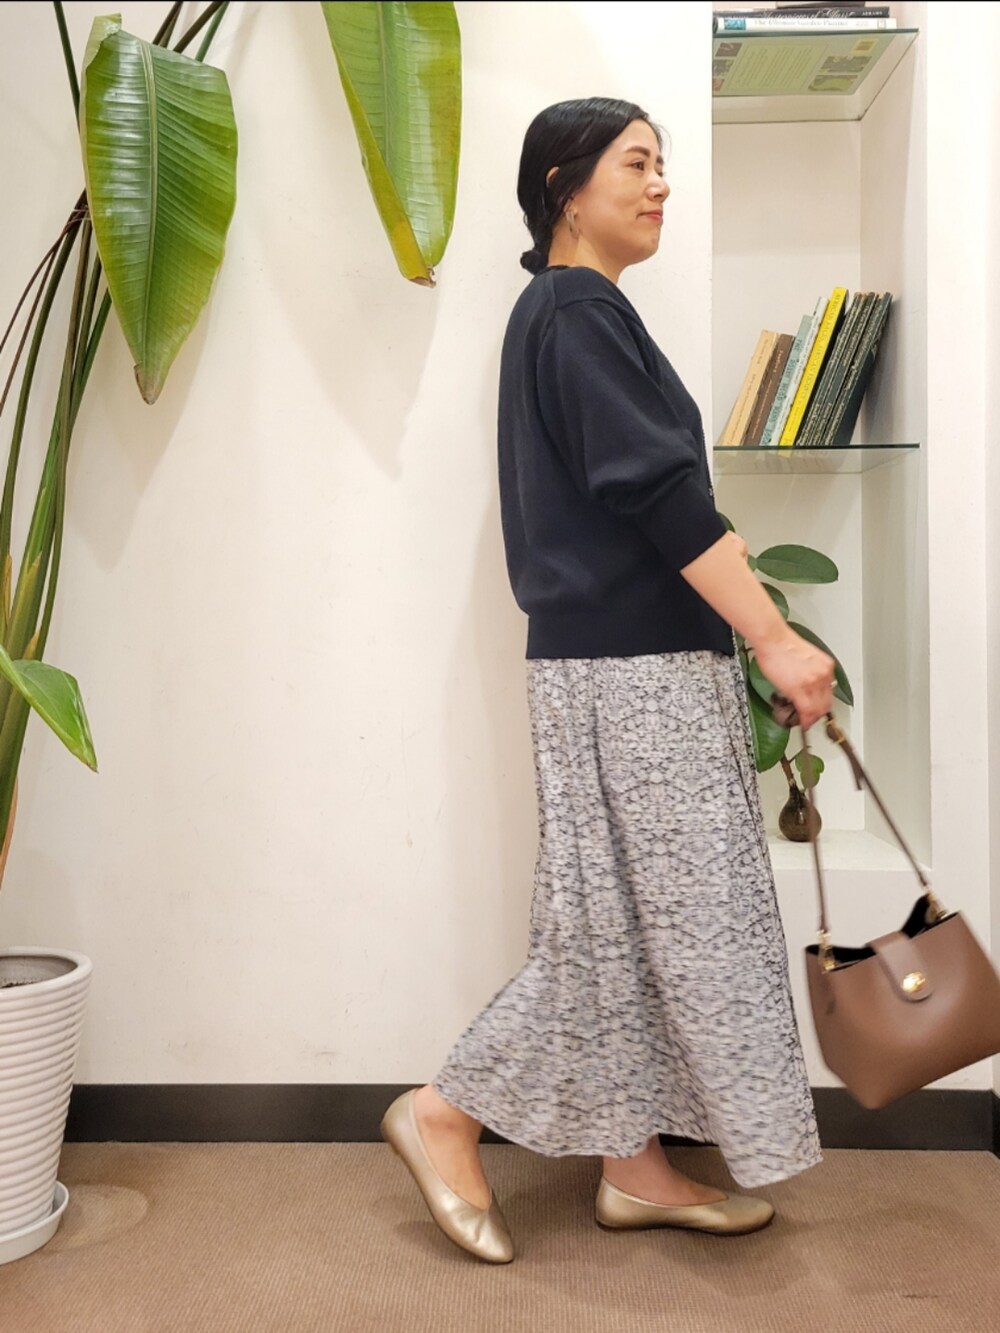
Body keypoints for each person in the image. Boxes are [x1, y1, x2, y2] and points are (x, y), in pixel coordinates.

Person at [381, 97, 834, 1265]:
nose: (660, 182)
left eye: (662, 163)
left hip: (617, 665)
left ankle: (632, 1167)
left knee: (631, 926)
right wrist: (773, 636)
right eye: (636, 163)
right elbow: (655, 491)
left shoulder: (571, 311)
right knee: (629, 929)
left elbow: (634, 491)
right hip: (630, 670)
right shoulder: (576, 308)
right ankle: (445, 1110)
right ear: (563, 188)